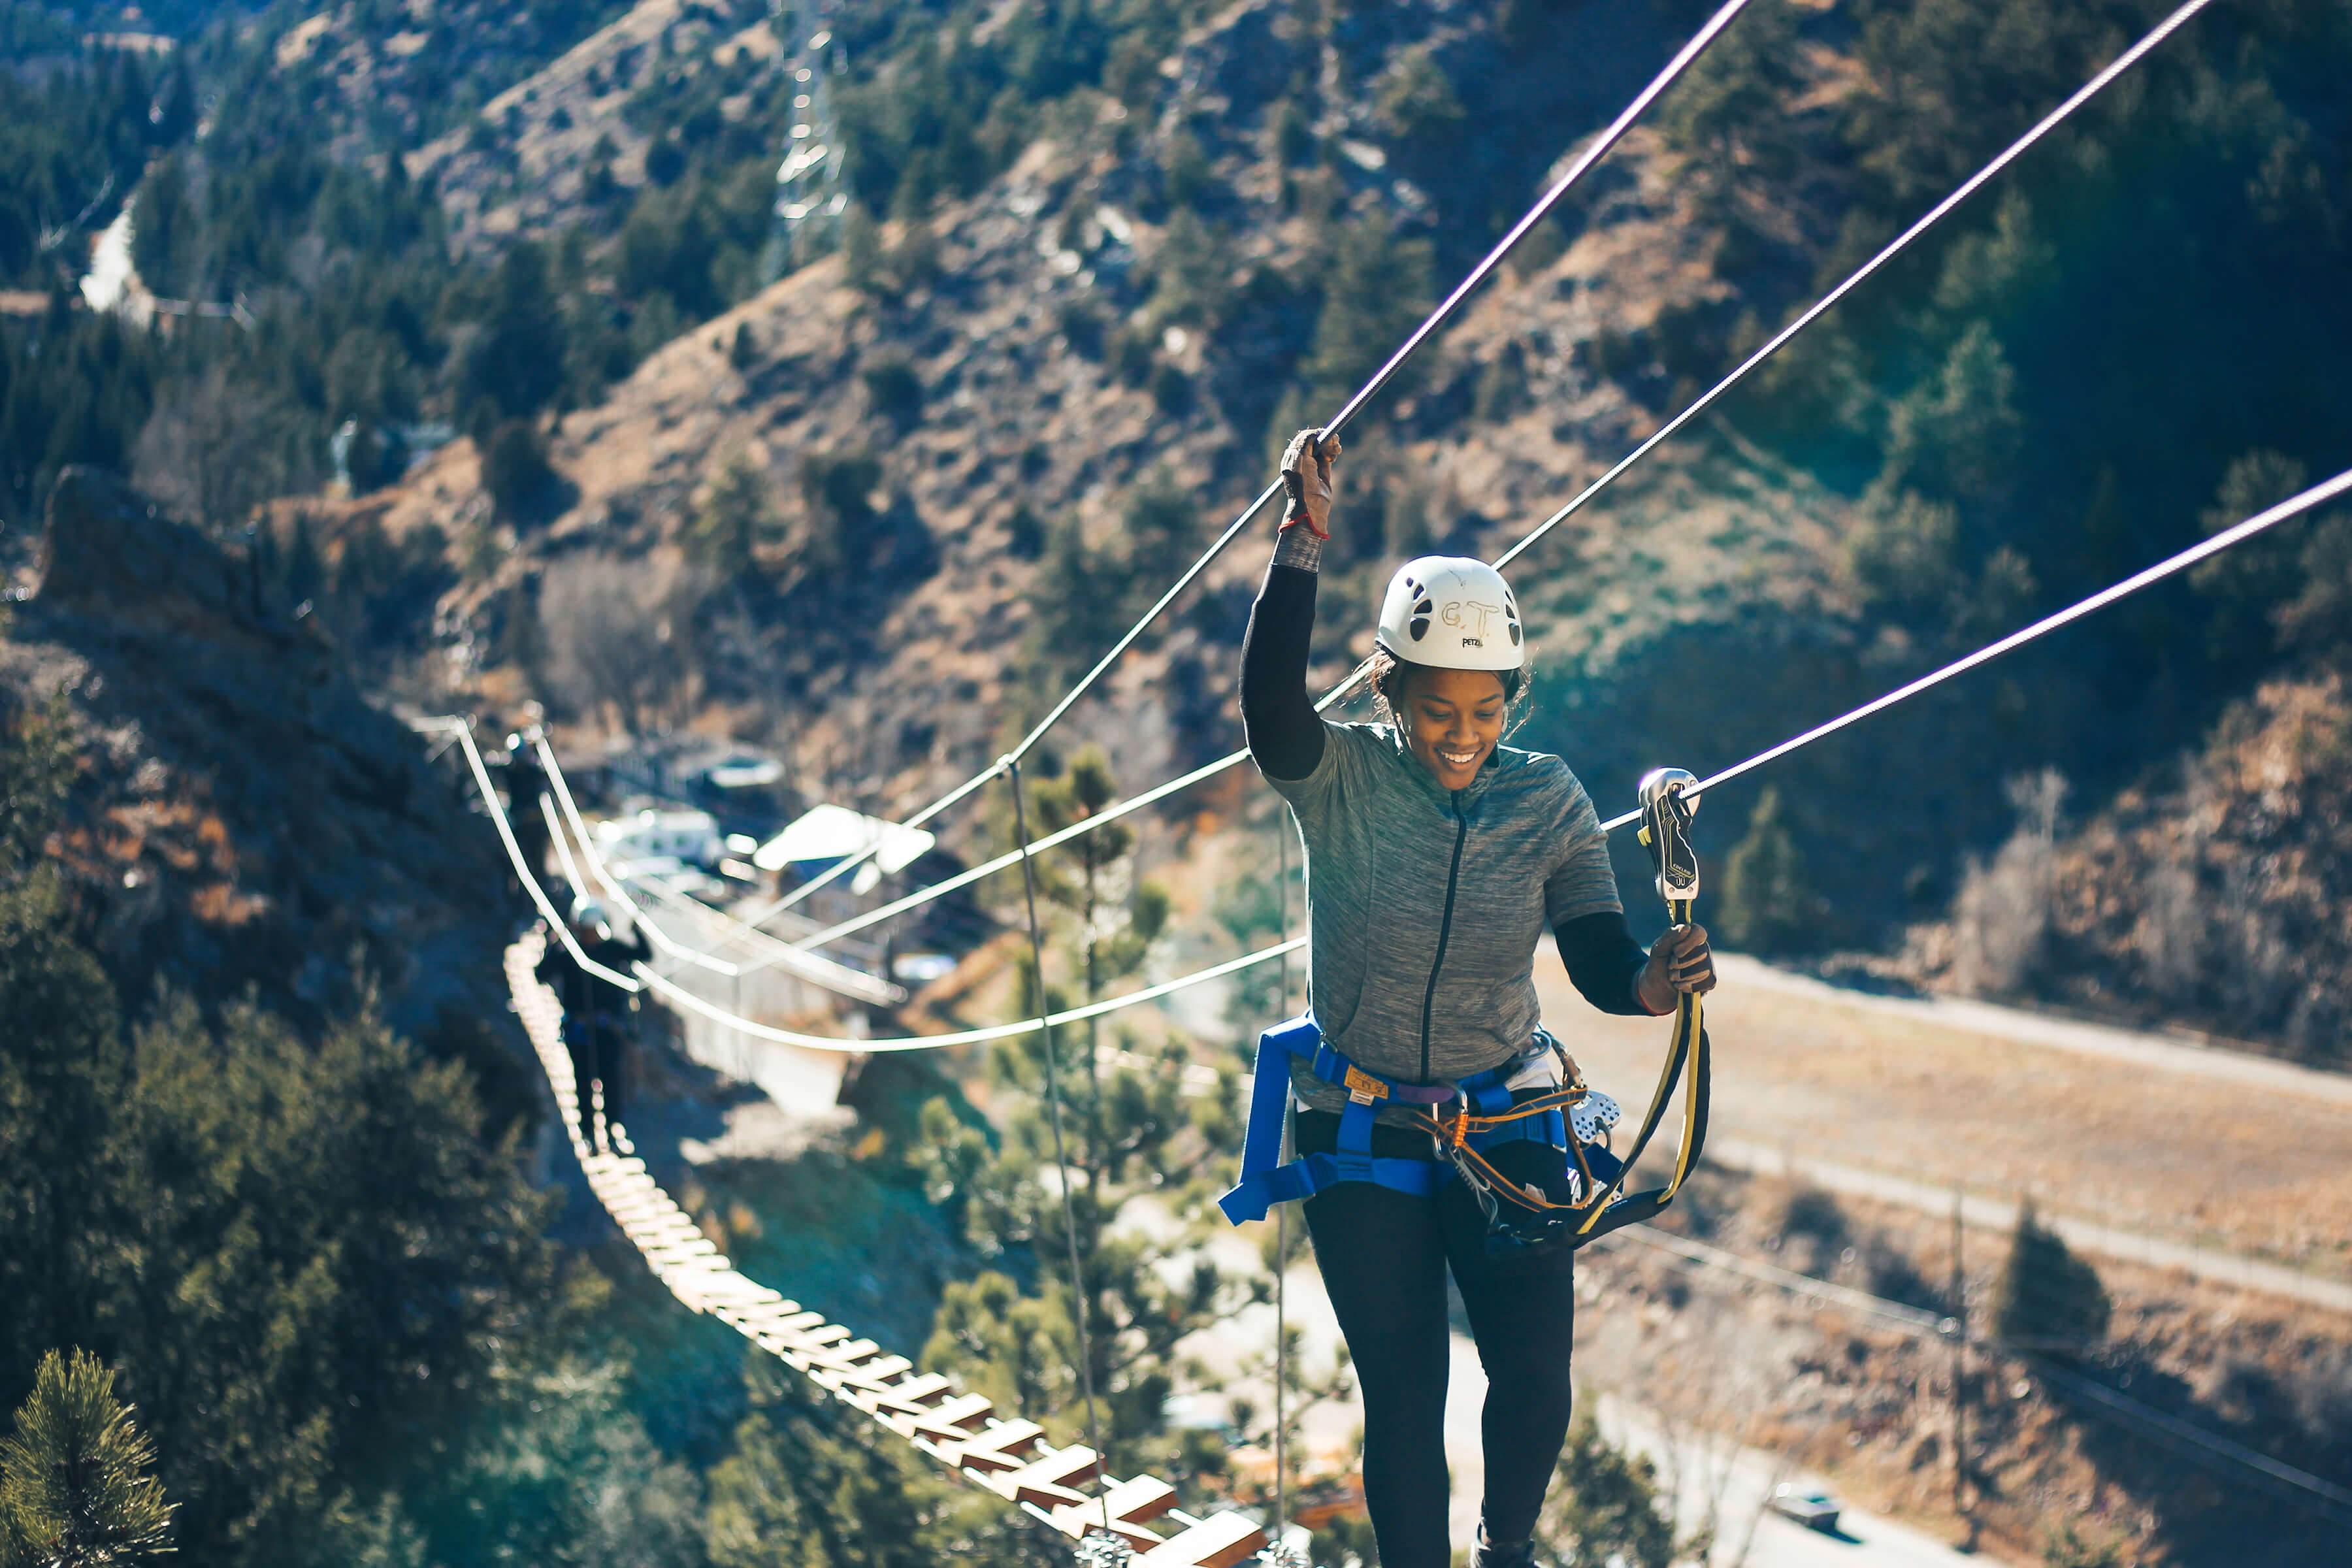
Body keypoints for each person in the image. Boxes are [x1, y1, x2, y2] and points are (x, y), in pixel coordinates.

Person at [1238, 429, 1716, 1568]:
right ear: (1391, 691)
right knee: (1406, 1393)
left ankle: (1508, 1553)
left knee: (1535, 1380)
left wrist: (1653, 984)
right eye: (1437, 709)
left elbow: (1600, 954)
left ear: (1512, 699)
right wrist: (1299, 545)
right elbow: (1268, 709)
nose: (1461, 735)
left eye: (1486, 709)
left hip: (1504, 1118)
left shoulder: (1548, 803)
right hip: (1361, 1128)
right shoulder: (1341, 778)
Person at [534, 896, 652, 1153]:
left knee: (611, 1082)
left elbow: (644, 954)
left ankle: (612, 1133)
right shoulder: (569, 954)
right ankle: (588, 1135)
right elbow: (540, 974)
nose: (590, 935)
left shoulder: (612, 949)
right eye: (585, 930)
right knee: (584, 1081)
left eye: (593, 929)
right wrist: (556, 941)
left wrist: (637, 929)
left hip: (609, 1029)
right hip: (580, 1030)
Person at [501, 732, 553, 906]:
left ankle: (540, 903)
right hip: (519, 825)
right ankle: (518, 902)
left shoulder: (534, 772)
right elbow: (489, 766)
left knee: (538, 866)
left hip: (535, 825)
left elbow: (546, 771)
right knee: (517, 866)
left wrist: (540, 744)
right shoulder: (509, 772)